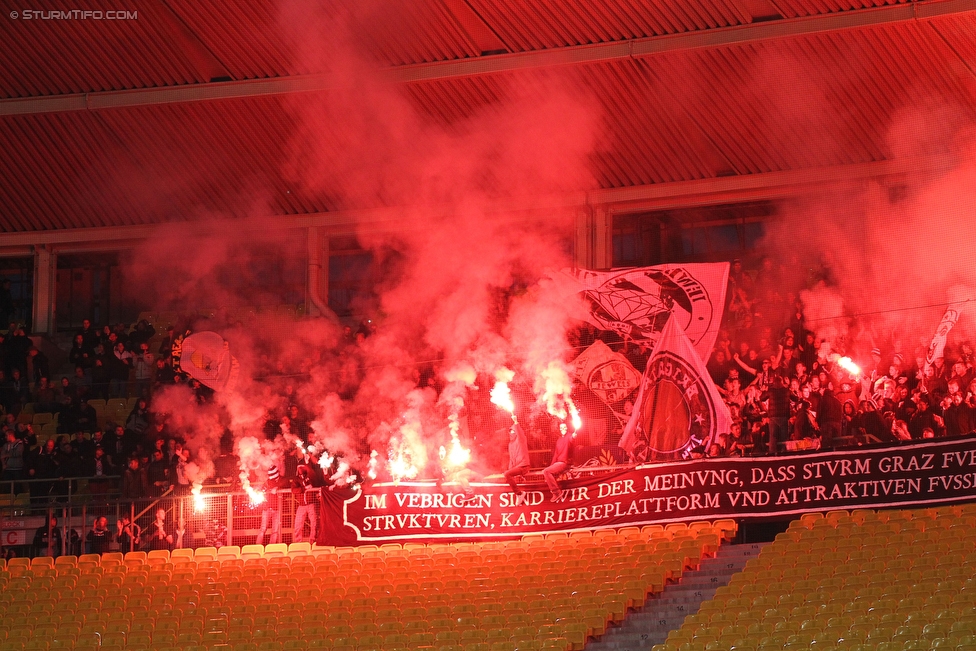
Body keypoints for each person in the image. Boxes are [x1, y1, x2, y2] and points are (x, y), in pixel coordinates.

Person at [543, 423, 574, 503]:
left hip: (565, 462)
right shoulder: (559, 439)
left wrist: (573, 437)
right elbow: (556, 454)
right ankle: (555, 490)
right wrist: (551, 466)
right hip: (558, 463)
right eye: (561, 427)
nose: (563, 428)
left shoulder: (570, 436)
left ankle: (556, 492)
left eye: (564, 427)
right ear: (559, 429)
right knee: (547, 471)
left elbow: (571, 441)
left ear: (567, 428)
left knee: (546, 471)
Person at [292, 465, 318, 544]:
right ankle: (298, 542)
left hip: (311, 504)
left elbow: (313, 479)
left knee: (314, 523)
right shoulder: (296, 479)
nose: (300, 469)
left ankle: (312, 541)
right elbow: (294, 490)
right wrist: (304, 489)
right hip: (301, 505)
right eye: (299, 467)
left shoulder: (310, 477)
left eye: (302, 467)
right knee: (298, 525)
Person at [256, 465, 282, 545]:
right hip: (267, 508)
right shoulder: (268, 481)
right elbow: (262, 490)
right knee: (263, 529)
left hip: (277, 509)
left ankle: (272, 547)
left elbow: (285, 486)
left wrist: (277, 488)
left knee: (275, 530)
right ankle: (258, 547)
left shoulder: (283, 480)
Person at [503, 420, 530, 496]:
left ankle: (519, 494)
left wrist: (516, 422)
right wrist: (510, 470)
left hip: (523, 466)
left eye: (513, 431)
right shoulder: (510, 444)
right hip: (517, 468)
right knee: (506, 475)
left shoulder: (521, 439)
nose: (511, 433)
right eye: (510, 431)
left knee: (507, 474)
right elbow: (512, 459)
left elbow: (520, 432)